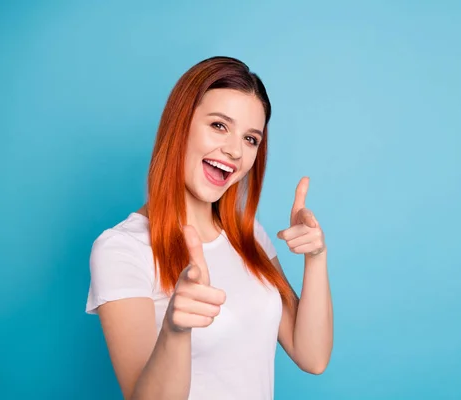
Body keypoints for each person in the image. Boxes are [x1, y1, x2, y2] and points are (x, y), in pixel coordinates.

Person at [85, 56, 333, 400]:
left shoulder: (250, 237)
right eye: (219, 125)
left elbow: (313, 356)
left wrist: (316, 257)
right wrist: (175, 329)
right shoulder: (121, 249)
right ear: (180, 123)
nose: (234, 150)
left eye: (250, 139)